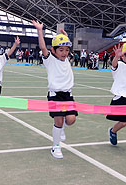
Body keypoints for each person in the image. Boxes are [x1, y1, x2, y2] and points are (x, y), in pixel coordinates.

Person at [32, 20, 78, 159]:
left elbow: (66, 45)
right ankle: (56, 147)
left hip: (68, 95)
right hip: (55, 95)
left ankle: (62, 127)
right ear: (54, 50)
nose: (64, 53)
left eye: (66, 50)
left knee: (70, 120)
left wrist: (65, 37)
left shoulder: (67, 59)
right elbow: (43, 47)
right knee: (58, 121)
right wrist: (40, 30)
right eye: (61, 50)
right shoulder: (50, 60)